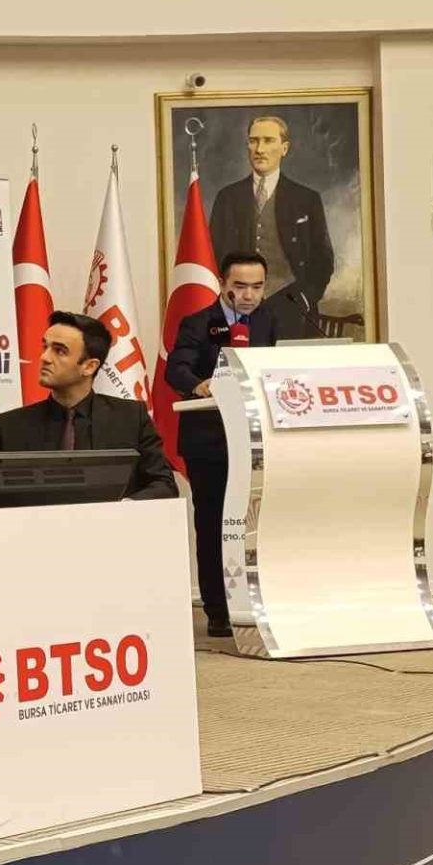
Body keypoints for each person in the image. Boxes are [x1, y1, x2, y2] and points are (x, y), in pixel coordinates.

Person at [165, 252, 281, 638]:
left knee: (255, 523)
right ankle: (218, 609)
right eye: (240, 287)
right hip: (209, 442)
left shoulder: (267, 319)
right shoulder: (199, 323)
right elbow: (176, 369)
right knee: (215, 523)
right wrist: (199, 385)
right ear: (222, 284)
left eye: (257, 287)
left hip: (255, 439)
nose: (249, 296)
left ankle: (257, 602)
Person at [0, 312, 176, 501]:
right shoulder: (11, 425)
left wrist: (125, 508)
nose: (44, 357)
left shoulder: (130, 418)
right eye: (45, 347)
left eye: (59, 351)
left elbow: (163, 484)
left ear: (89, 366)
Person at [208, 115, 334, 335]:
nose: (259, 149)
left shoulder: (307, 199)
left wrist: (305, 298)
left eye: (268, 140)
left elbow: (323, 260)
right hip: (238, 311)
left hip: (294, 313)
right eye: (253, 141)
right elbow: (213, 255)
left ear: (284, 148)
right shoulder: (227, 198)